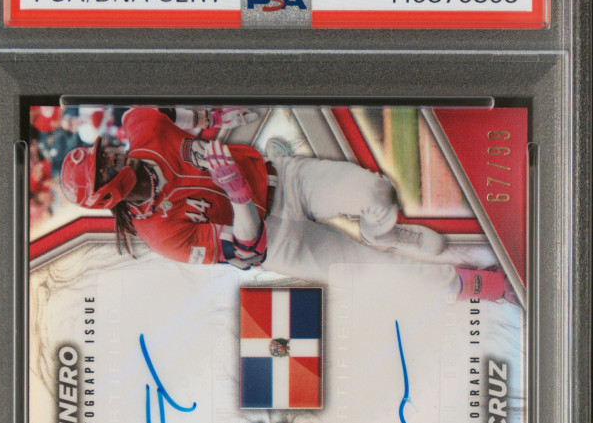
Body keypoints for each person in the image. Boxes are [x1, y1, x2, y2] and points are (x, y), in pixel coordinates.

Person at [59, 105, 512, 301]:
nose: (112, 155)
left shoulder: (140, 129)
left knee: (375, 193)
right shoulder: (161, 234)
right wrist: (236, 194)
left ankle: (384, 232)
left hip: (284, 178)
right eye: (104, 165)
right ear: (107, 191)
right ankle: (477, 287)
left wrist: (209, 117)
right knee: (378, 276)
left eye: (104, 154)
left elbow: (155, 114)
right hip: (277, 241)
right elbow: (247, 250)